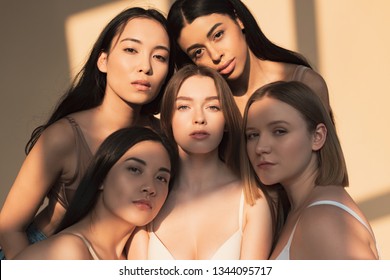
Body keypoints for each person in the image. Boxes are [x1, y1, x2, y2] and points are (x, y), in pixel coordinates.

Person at [0, 7, 175, 259]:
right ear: (102, 60)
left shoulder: (162, 138)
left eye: (159, 57)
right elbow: (9, 228)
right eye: (130, 50)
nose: (145, 67)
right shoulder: (64, 136)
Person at [128, 64, 273, 260]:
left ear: (227, 120)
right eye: (184, 106)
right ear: (168, 119)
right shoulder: (148, 196)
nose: (199, 118)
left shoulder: (252, 200)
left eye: (213, 106)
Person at [243, 81, 379, 259]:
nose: (260, 147)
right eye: (253, 135)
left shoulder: (324, 219)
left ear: (317, 136)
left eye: (279, 131)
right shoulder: (300, 211)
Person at [13, 127, 178, 260]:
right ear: (101, 177)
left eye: (161, 178)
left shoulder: (133, 256)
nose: (150, 187)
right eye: (134, 169)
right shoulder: (67, 253)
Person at [167, 0, 332, 116]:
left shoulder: (305, 83)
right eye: (198, 52)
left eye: (218, 35)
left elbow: (329, 162)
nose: (216, 56)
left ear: (238, 19)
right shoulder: (207, 109)